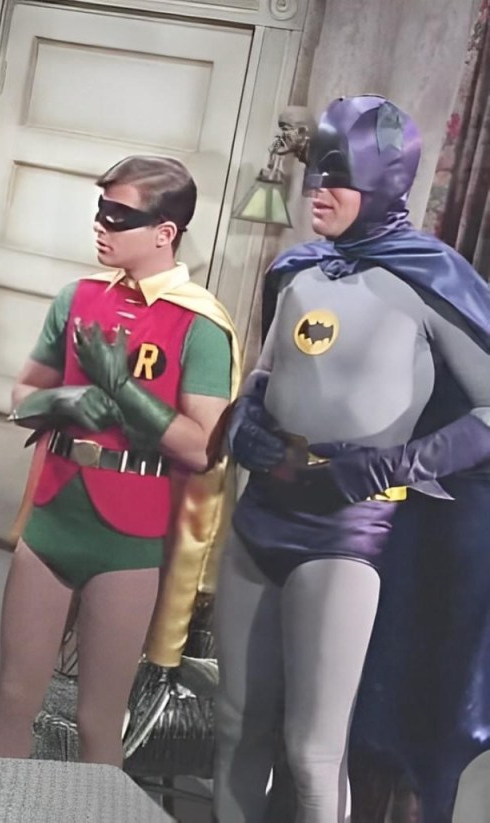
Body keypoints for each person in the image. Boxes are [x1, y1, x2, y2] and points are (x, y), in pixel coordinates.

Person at [212, 95, 490, 823]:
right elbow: (266, 372)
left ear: (386, 182)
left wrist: (389, 467)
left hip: (345, 529)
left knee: (313, 752)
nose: (318, 191)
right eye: (316, 174)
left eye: (340, 178)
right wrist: (245, 420)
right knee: (236, 726)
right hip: (261, 513)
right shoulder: (297, 269)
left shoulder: (431, 277)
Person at [0, 155, 240, 767]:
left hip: (129, 533)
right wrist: (60, 401)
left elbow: (202, 447)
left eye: (119, 216)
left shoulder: (199, 323)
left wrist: (124, 392)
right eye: (100, 211)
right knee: (13, 697)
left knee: (100, 720)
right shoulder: (78, 298)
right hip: (55, 515)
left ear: (165, 232)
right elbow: (22, 395)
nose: (101, 225)